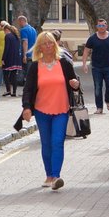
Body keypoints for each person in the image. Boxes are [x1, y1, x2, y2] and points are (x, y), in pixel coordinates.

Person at [21, 31, 81, 190]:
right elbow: (28, 89)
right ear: (39, 47)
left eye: (50, 43)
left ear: (55, 44)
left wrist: (75, 84)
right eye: (44, 43)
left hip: (61, 109)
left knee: (57, 142)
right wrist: (26, 107)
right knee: (46, 143)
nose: (48, 46)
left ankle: (56, 176)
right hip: (42, 110)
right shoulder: (35, 66)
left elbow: (74, 82)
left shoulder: (64, 63)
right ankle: (48, 175)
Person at [83, 19, 109, 114]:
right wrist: (84, 64)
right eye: (99, 26)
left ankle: (107, 101)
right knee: (98, 87)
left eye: (103, 26)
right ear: (97, 27)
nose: (101, 28)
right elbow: (86, 50)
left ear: (106, 26)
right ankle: (99, 107)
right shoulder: (92, 38)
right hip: (96, 67)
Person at [1, 23, 23, 97]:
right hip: (16, 58)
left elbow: (6, 48)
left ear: (6, 30)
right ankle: (14, 92)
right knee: (13, 76)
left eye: (4, 31)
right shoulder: (16, 36)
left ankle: (8, 90)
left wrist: (3, 58)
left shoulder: (8, 36)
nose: (4, 33)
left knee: (5, 75)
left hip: (9, 58)